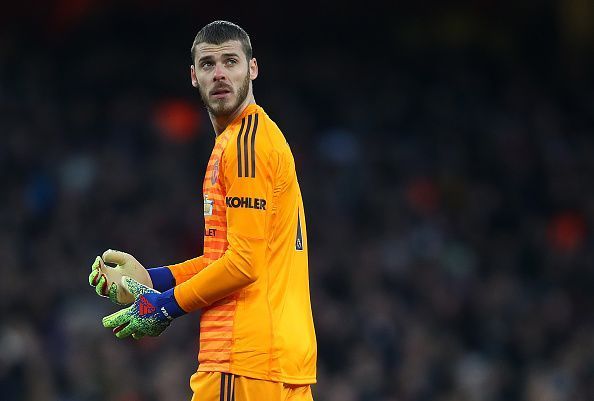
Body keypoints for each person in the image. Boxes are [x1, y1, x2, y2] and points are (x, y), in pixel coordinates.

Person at [88, 20, 317, 401]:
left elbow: (243, 264)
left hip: (242, 360)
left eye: (231, 61)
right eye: (209, 65)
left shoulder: (247, 145)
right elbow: (228, 258)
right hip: (275, 365)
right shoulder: (245, 141)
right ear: (194, 76)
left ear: (253, 68)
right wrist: (156, 279)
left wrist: (164, 306)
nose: (221, 73)